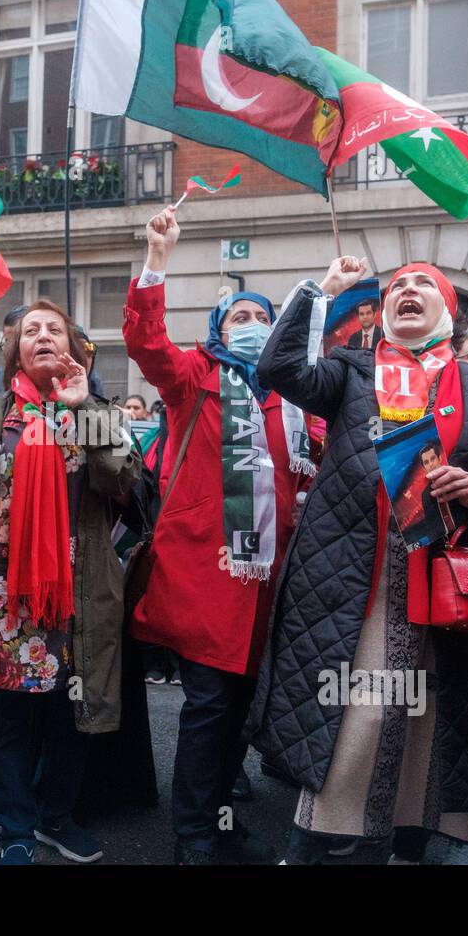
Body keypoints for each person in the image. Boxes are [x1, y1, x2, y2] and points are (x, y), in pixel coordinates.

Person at [249, 256, 468, 866]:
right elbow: (276, 367)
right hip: (360, 576)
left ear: (447, 314)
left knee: (440, 716)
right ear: (380, 312)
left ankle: (428, 840)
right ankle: (330, 833)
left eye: (422, 285)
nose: (406, 291)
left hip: (448, 577)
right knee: (359, 712)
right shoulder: (350, 370)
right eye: (396, 285)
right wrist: (321, 291)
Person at [123, 206, 317, 865]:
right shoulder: (193, 378)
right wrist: (158, 258)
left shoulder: (293, 394)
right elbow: (146, 344)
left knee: (241, 708)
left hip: (273, 579)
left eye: (263, 317)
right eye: (241, 317)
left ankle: (223, 820)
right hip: (207, 574)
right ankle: (194, 836)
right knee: (209, 705)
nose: (255, 327)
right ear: (218, 328)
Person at [0, 300, 140, 865]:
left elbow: (123, 482)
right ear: (16, 349)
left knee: (70, 717)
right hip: (4, 598)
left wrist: (85, 415)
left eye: (56, 329)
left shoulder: (99, 411)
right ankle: (15, 829)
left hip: (78, 599)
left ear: (75, 349)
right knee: (7, 721)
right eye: (32, 330)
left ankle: (56, 817)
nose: (44, 336)